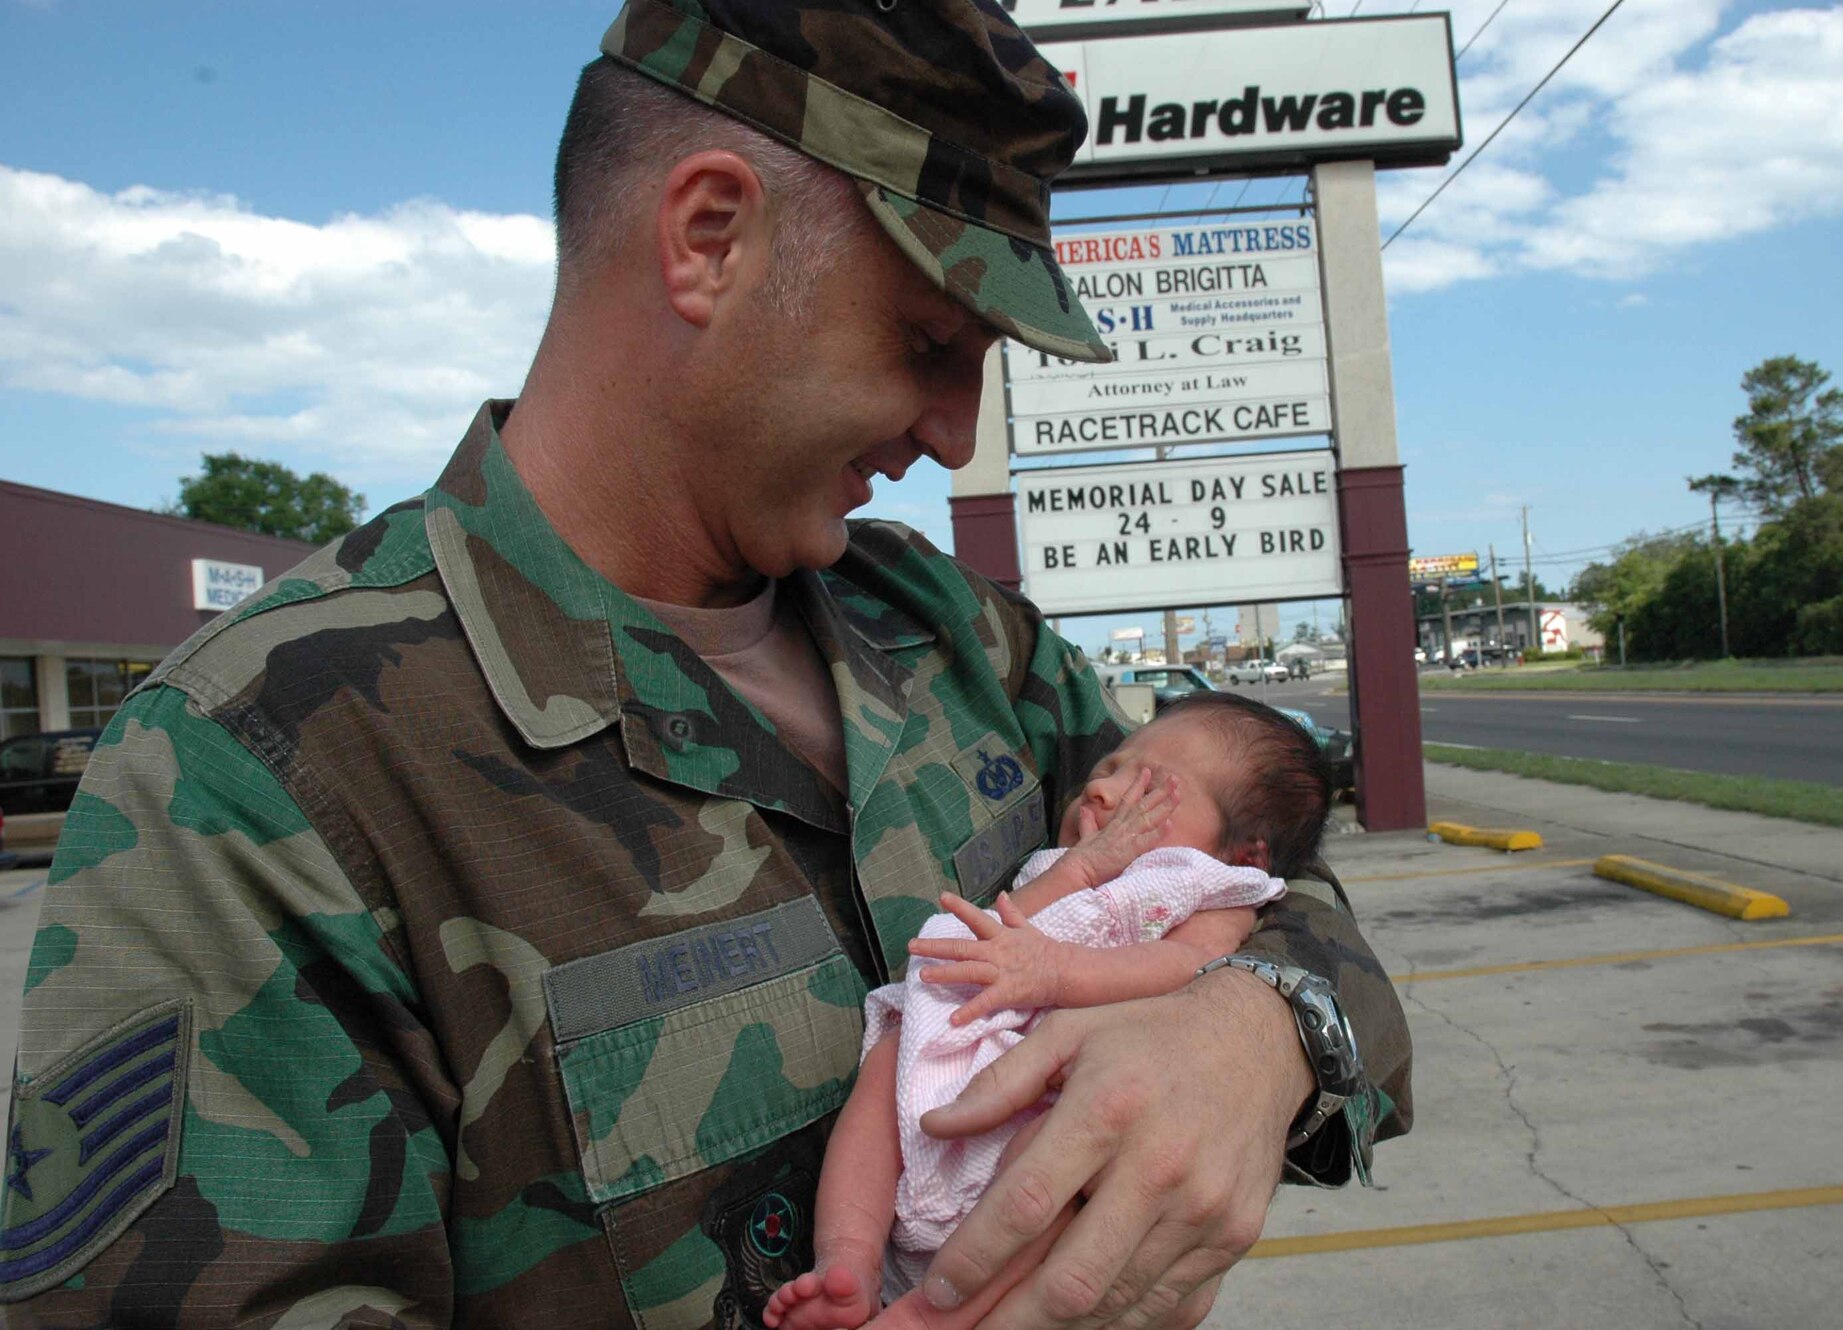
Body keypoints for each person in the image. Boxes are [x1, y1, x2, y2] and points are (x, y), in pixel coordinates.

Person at [0, 3, 1412, 1327]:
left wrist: (1260, 1026)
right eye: (931, 342)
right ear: (711, 237)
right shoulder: (269, 768)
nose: (956, 432)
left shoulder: (965, 643)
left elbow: (1269, 857)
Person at [766, 694, 1336, 1330]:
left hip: (1061, 1090)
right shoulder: (1063, 867)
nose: (1100, 789)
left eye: (1148, 786)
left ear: (1244, 854)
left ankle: (931, 1317)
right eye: (1109, 768)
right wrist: (1081, 870)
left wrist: (1058, 973)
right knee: (885, 1066)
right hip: (966, 1058)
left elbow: (1185, 967)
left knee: (1066, 1173)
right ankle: (848, 1261)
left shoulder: (1213, 890)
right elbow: (1007, 922)